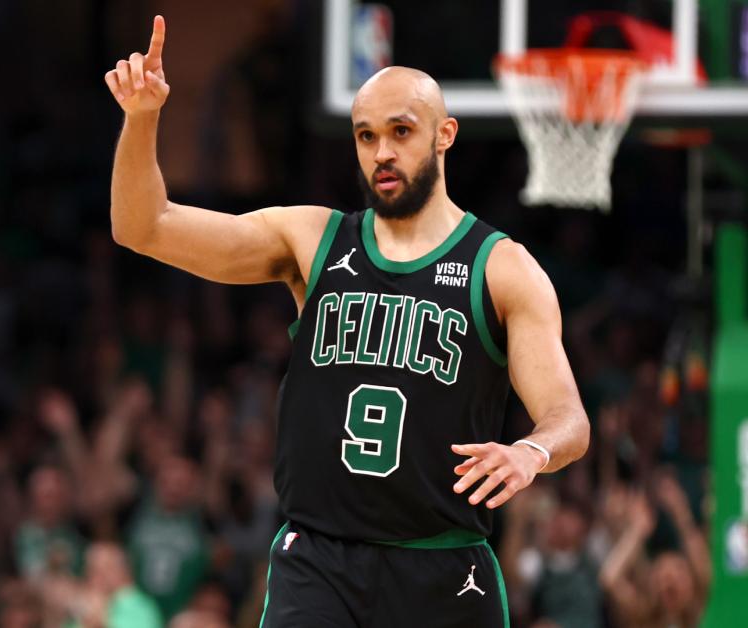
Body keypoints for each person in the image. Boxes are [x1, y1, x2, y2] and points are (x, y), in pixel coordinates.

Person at [104, 15, 590, 626]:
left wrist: (531, 453)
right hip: (319, 562)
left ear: (445, 135)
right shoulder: (313, 239)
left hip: (442, 566)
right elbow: (143, 227)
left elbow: (569, 418)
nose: (382, 152)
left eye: (401, 132)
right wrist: (142, 117)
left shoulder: (501, 268)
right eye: (365, 136)